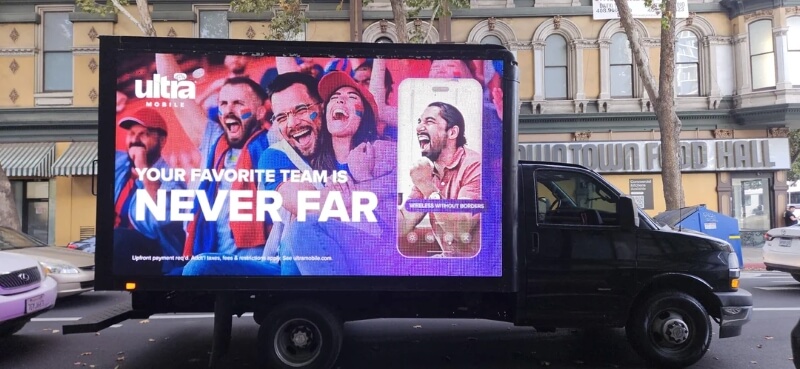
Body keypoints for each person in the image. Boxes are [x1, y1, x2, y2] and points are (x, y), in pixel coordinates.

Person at [258, 71, 398, 275]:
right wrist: (366, 188)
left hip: (378, 259)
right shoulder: (279, 155)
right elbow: (308, 205)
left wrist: (361, 181)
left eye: (301, 110)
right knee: (204, 265)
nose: (292, 123)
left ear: (320, 109)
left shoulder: (378, 150)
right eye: (281, 117)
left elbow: (409, 186)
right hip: (291, 263)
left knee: (302, 229)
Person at [398, 102, 482, 258]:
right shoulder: (428, 173)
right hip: (449, 262)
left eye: (429, 121)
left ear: (452, 133)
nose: (419, 128)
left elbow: (461, 229)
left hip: (477, 270)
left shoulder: (475, 165)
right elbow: (404, 224)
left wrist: (428, 188)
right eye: (419, 122)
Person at [114, 107, 186, 275]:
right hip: (121, 256)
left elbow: (162, 218)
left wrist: (144, 169)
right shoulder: (121, 165)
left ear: (162, 140)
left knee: (119, 239)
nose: (135, 140)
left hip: (158, 258)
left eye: (143, 134)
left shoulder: (172, 178)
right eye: (131, 134)